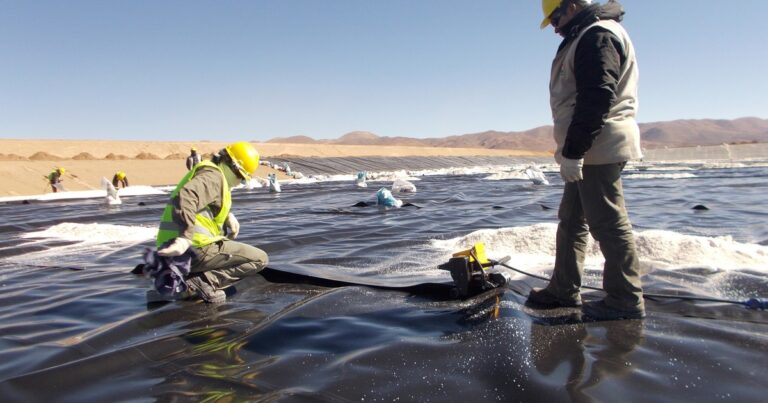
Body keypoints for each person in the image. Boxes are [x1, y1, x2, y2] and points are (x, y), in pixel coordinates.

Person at [527, 0, 645, 320]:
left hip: (598, 147)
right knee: (572, 220)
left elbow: (597, 96)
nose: (553, 25)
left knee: (606, 222)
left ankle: (624, 300)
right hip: (586, 147)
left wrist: (576, 151)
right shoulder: (584, 35)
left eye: (556, 16)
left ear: (575, 5)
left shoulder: (597, 35)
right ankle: (564, 289)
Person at [152, 141, 268, 303]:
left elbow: (201, 201)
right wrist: (185, 238)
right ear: (234, 167)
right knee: (259, 259)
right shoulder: (214, 177)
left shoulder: (209, 172)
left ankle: (190, 275)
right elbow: (187, 197)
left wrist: (227, 215)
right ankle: (203, 281)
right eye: (241, 178)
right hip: (192, 249)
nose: (238, 183)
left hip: (171, 251)